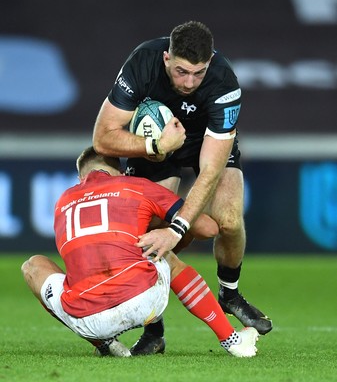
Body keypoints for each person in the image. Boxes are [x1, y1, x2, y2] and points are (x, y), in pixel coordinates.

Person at [92, 20, 272, 355]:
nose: (189, 82)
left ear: (210, 61)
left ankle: (229, 292)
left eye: (198, 72)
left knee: (230, 219)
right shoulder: (142, 62)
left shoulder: (224, 82)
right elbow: (102, 138)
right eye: (181, 72)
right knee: (144, 232)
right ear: (165, 58)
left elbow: (211, 170)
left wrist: (177, 229)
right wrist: (155, 147)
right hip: (160, 143)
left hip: (206, 143)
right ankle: (153, 331)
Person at [21, 146, 259, 358]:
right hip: (142, 301)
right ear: (121, 172)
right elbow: (208, 229)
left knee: (33, 265)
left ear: (80, 177)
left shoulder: (63, 201)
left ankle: (104, 343)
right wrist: (172, 226)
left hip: (87, 319)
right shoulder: (135, 186)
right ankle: (231, 340)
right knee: (162, 251)